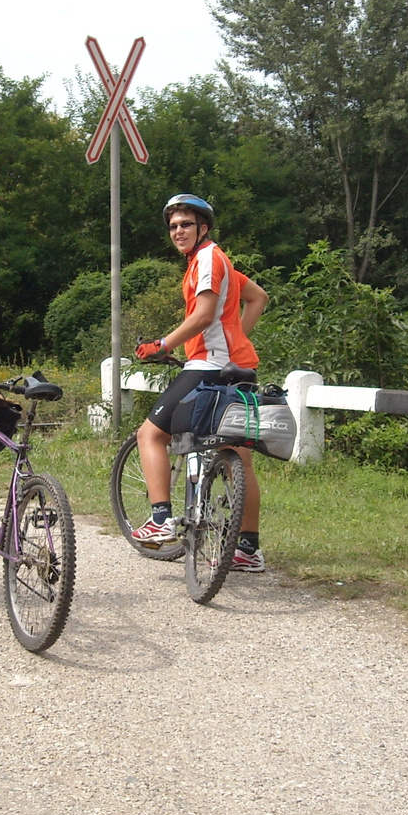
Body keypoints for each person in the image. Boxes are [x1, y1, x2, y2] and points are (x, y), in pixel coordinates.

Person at [131, 194, 270, 572]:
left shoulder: (208, 258)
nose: (178, 231)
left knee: (151, 435)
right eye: (173, 226)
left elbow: (205, 315)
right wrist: (236, 339)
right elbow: (258, 298)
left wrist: (162, 345)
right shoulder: (213, 261)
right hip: (237, 365)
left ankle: (160, 520)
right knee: (238, 455)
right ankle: (247, 549)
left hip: (209, 366)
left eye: (186, 224)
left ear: (203, 228)